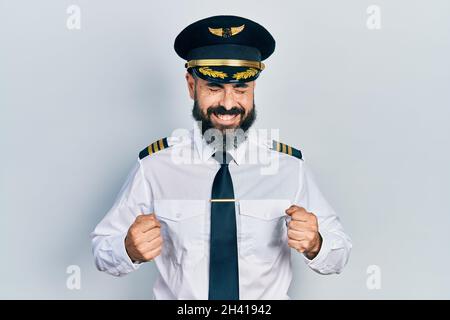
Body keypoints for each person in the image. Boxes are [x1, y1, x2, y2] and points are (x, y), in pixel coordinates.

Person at [91, 15, 352, 300]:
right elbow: (103, 249)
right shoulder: (154, 166)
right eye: (214, 88)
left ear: (253, 88)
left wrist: (316, 243)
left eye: (241, 89)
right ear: (192, 86)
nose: (228, 104)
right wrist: (128, 249)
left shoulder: (289, 168)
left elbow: (339, 255)